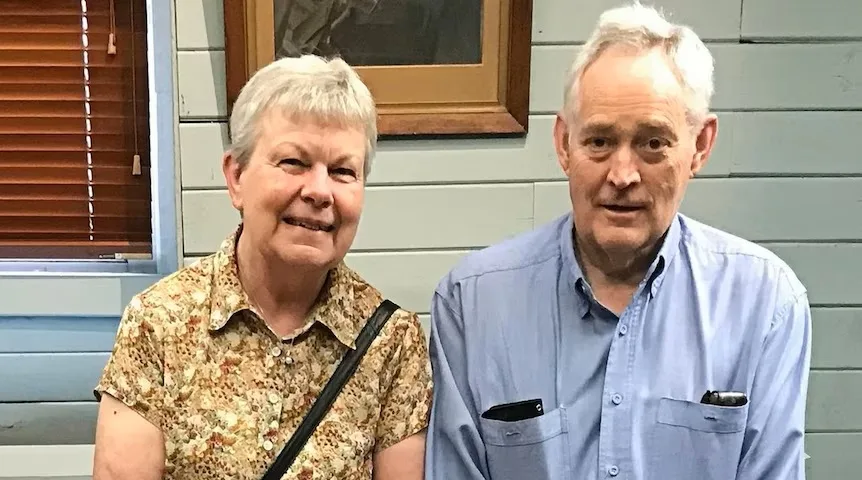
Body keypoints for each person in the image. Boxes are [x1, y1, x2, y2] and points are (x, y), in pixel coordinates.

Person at [424, 3, 811, 480]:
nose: (623, 175)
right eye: (600, 141)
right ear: (565, 144)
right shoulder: (473, 304)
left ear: (701, 146)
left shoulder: (764, 302)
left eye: (653, 143)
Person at [92, 54, 432, 480]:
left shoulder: (392, 342)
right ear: (236, 177)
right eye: (294, 162)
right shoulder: (158, 324)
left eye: (343, 171)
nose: (320, 191)